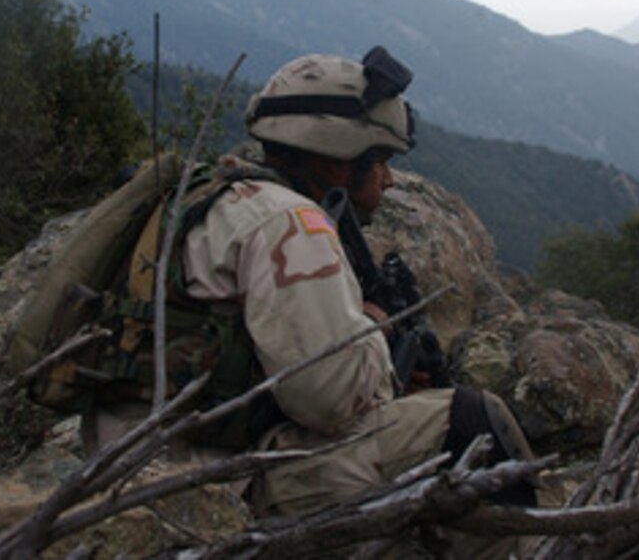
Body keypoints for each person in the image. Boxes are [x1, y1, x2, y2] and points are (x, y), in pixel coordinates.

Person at [84, 46, 536, 555]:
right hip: (211, 481)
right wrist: (376, 334)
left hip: (135, 453)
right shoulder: (291, 223)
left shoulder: (213, 195)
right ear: (337, 157)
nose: (388, 179)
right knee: (474, 419)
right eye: (381, 160)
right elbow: (328, 399)